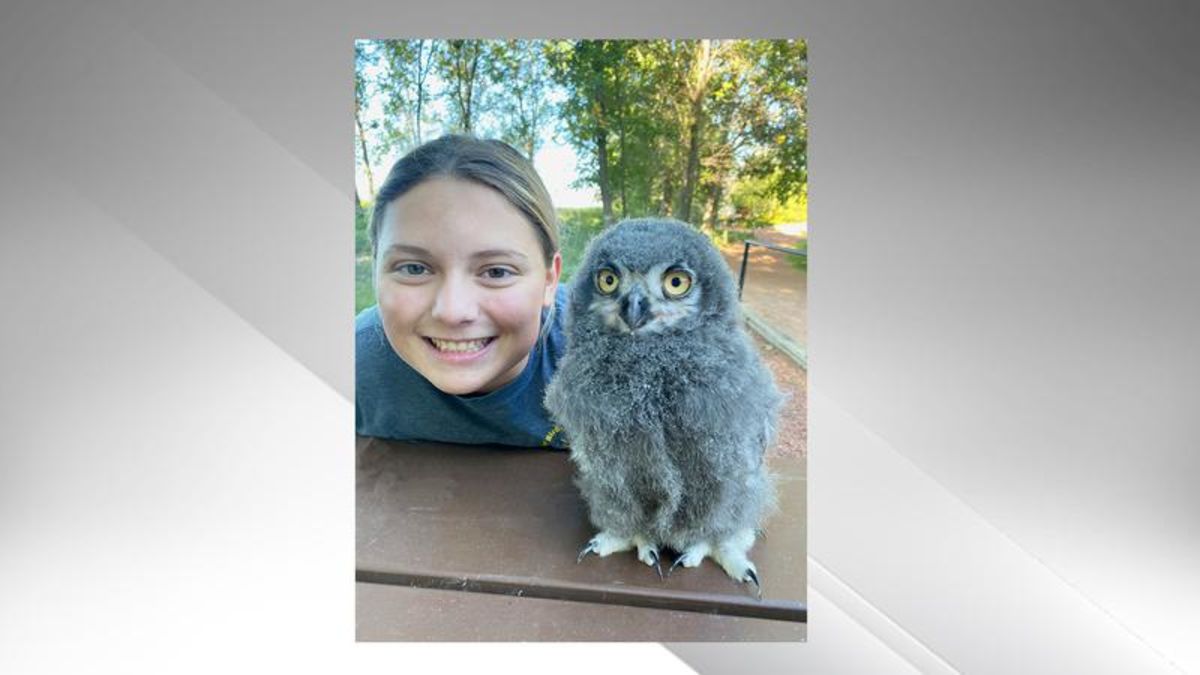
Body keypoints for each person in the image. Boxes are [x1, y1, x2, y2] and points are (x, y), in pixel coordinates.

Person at [355, 134, 569, 449]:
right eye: (414, 269)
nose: (453, 312)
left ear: (549, 281)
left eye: (497, 272)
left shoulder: (618, 361)